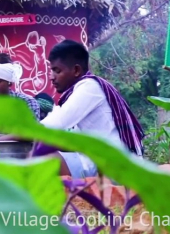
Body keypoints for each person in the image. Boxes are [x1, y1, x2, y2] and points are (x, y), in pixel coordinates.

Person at [32, 40, 144, 178]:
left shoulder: (89, 87)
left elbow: (52, 125)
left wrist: (6, 138)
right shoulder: (87, 88)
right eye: (51, 71)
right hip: (104, 160)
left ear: (76, 70)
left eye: (57, 71)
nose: (51, 77)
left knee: (44, 160)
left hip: (114, 165)